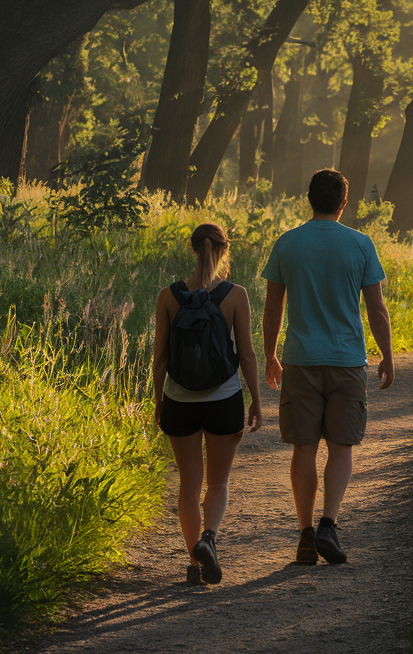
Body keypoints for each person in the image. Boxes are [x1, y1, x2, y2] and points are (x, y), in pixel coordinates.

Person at [262, 168, 394, 566]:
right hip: (347, 360)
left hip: (300, 360)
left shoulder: (287, 244)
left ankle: (304, 535)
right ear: (343, 202)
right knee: (341, 447)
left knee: (304, 448)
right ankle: (328, 525)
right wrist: (387, 354)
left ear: (309, 199)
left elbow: (273, 308)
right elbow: (376, 307)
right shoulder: (360, 244)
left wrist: (270, 354)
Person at [152, 222, 263, 585]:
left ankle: (194, 564)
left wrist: (159, 402)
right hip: (224, 398)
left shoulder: (169, 296)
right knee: (218, 482)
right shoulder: (236, 295)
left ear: (193, 249)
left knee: (188, 483)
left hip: (179, 399)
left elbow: (160, 358)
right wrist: (256, 401)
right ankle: (209, 539)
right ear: (223, 251)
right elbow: (246, 355)